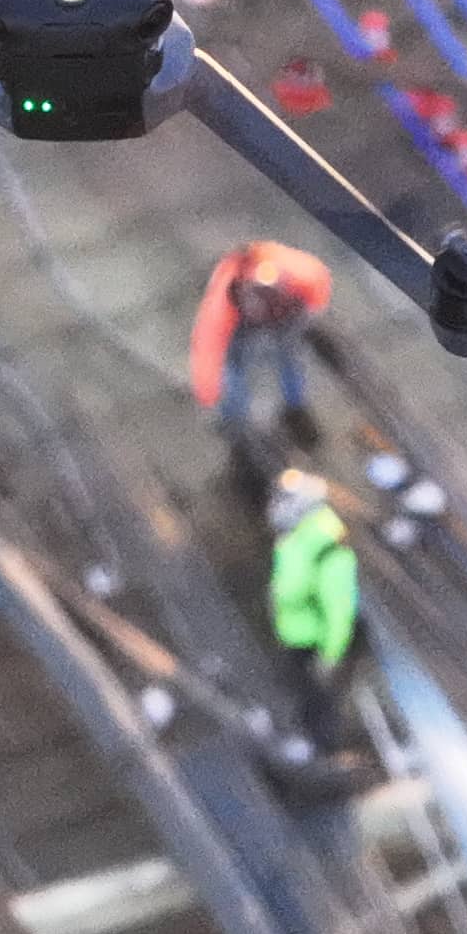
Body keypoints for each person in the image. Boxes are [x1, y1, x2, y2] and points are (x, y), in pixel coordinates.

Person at [190, 238, 334, 445]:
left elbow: (317, 285)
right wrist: (209, 395)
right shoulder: (221, 314)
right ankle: (234, 416)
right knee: (234, 366)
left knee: (289, 355)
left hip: (287, 311)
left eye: (271, 293)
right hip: (246, 323)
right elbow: (208, 353)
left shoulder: (299, 274)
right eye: (260, 296)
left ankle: (295, 409)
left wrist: (307, 310)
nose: (267, 301)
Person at [267, 466, 360, 752]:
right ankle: (307, 740)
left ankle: (322, 751)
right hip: (294, 635)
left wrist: (330, 656)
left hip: (314, 643)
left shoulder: (329, 552)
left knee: (319, 701)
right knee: (303, 696)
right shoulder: (297, 539)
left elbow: (339, 610)